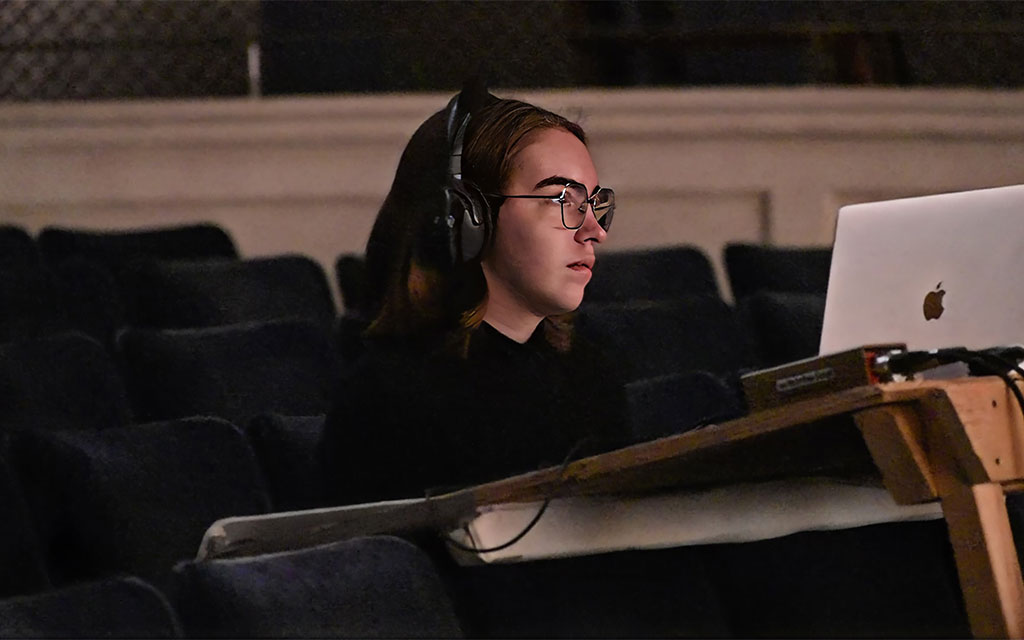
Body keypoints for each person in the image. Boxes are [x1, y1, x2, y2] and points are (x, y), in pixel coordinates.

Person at [319, 82, 631, 506]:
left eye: (594, 204)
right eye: (561, 199)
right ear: (466, 222)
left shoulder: (590, 373)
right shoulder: (386, 402)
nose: (594, 230)